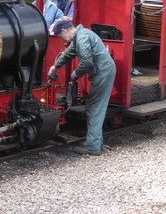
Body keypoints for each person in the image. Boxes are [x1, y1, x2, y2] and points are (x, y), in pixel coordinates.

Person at [47, 20, 116, 156]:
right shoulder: (79, 36)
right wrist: (55, 66)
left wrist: (75, 74)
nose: (61, 40)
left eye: (60, 37)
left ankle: (93, 146)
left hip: (103, 72)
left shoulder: (82, 38)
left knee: (94, 108)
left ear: (66, 31)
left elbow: (86, 61)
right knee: (95, 107)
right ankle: (96, 142)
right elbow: (68, 54)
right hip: (102, 71)